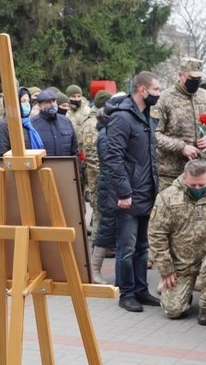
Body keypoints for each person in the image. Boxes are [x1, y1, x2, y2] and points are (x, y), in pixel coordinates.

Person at [105, 71, 161, 312]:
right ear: (143, 90)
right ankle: (126, 293)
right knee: (126, 248)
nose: (158, 94)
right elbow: (113, 157)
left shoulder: (146, 116)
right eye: (156, 89)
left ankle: (141, 290)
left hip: (146, 192)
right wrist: (124, 193)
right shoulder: (122, 118)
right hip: (128, 195)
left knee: (142, 247)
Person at [149, 160, 206, 325]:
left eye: (202, 185)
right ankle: (187, 292)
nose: (198, 188)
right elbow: (156, 234)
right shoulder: (167, 197)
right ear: (184, 178)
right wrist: (166, 269)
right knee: (173, 310)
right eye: (193, 185)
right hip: (182, 260)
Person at [153, 57, 206, 191]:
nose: (195, 82)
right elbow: (154, 134)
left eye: (198, 79)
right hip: (170, 174)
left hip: (200, 174)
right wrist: (181, 147)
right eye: (192, 78)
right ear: (180, 75)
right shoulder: (164, 99)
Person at [85, 90, 114, 284]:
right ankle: (94, 267)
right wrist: (94, 183)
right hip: (103, 182)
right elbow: (94, 157)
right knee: (103, 223)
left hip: (110, 182)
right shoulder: (99, 130)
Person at [81, 90, 112, 241]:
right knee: (99, 213)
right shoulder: (91, 123)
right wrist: (100, 175)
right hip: (97, 176)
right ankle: (97, 244)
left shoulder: (105, 119)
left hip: (105, 175)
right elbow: (91, 154)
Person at [0, 87, 44, 155]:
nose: (27, 104)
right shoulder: (4, 125)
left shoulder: (28, 123)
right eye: (23, 101)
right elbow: (2, 153)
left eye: (28, 101)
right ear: (14, 103)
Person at [31, 89, 79, 157]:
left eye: (54, 101)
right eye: (48, 102)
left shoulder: (66, 121)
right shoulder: (32, 125)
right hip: (44, 164)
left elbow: (74, 150)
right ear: (39, 105)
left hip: (66, 163)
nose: (52, 104)